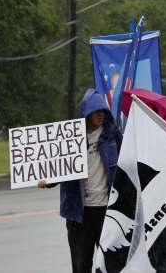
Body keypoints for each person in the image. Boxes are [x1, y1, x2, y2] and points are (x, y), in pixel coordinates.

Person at [38, 88, 121, 273]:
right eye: (95, 111)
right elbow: (59, 167)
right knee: (81, 265)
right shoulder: (70, 138)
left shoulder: (112, 136)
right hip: (78, 213)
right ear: (87, 112)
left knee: (111, 265)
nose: (100, 115)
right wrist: (47, 181)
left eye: (102, 111)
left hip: (107, 211)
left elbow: (126, 166)